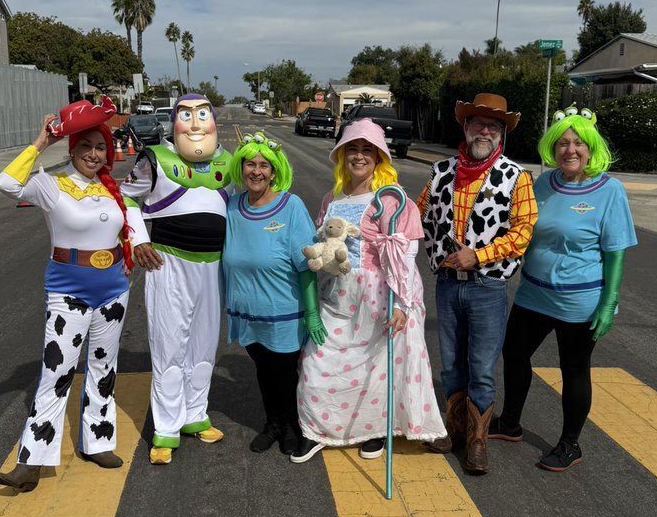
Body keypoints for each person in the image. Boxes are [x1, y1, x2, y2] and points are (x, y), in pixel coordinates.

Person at [0, 99, 149, 492]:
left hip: (113, 291)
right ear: (73, 148)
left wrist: (142, 243)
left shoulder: (112, 189)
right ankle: (33, 460)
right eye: (86, 147)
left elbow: (133, 219)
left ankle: (97, 442)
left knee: (103, 370)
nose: (93, 155)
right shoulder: (51, 184)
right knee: (56, 374)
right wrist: (40, 141)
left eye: (100, 148)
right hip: (68, 293)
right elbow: (7, 183)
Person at [489, 106, 637, 470]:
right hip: (534, 293)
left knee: (573, 369)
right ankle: (510, 422)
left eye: (578, 143)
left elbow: (615, 253)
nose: (570, 150)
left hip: (580, 301)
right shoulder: (542, 183)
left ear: (591, 148)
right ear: (552, 149)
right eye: (562, 143)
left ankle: (570, 444)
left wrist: (608, 303)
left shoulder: (610, 190)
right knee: (515, 352)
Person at [291, 118, 445, 463]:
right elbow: (324, 241)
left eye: (367, 151)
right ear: (342, 156)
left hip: (379, 294)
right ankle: (317, 429)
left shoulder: (392, 199)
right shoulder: (333, 197)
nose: (359, 157)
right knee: (318, 363)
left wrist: (403, 304)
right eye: (352, 150)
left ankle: (374, 430)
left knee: (376, 369)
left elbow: (406, 255)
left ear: (379, 159)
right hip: (337, 293)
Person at [418, 92, 537, 474]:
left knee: (482, 367)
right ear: (466, 127)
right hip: (448, 284)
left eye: (493, 126)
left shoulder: (516, 177)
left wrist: (479, 255)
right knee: (452, 366)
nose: (484, 130)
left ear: (501, 133)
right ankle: (454, 430)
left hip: (487, 287)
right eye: (478, 123)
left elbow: (522, 233)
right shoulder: (440, 173)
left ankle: (478, 440)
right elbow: (414, 218)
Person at [124, 93, 232, 466]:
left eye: (203, 115)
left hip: (212, 268)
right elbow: (125, 199)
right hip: (168, 265)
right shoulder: (155, 159)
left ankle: (194, 414)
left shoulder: (228, 163)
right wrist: (138, 238)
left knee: (203, 346)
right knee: (170, 345)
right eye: (187, 116)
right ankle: (167, 427)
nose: (197, 123)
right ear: (174, 122)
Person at [221, 132, 326, 457]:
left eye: (264, 166)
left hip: (283, 313)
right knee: (263, 370)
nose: (256, 171)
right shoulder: (233, 206)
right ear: (241, 168)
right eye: (250, 164)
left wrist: (311, 313)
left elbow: (306, 264)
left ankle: (292, 426)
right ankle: (273, 424)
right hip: (247, 312)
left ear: (275, 170)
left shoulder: (290, 206)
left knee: (283, 373)